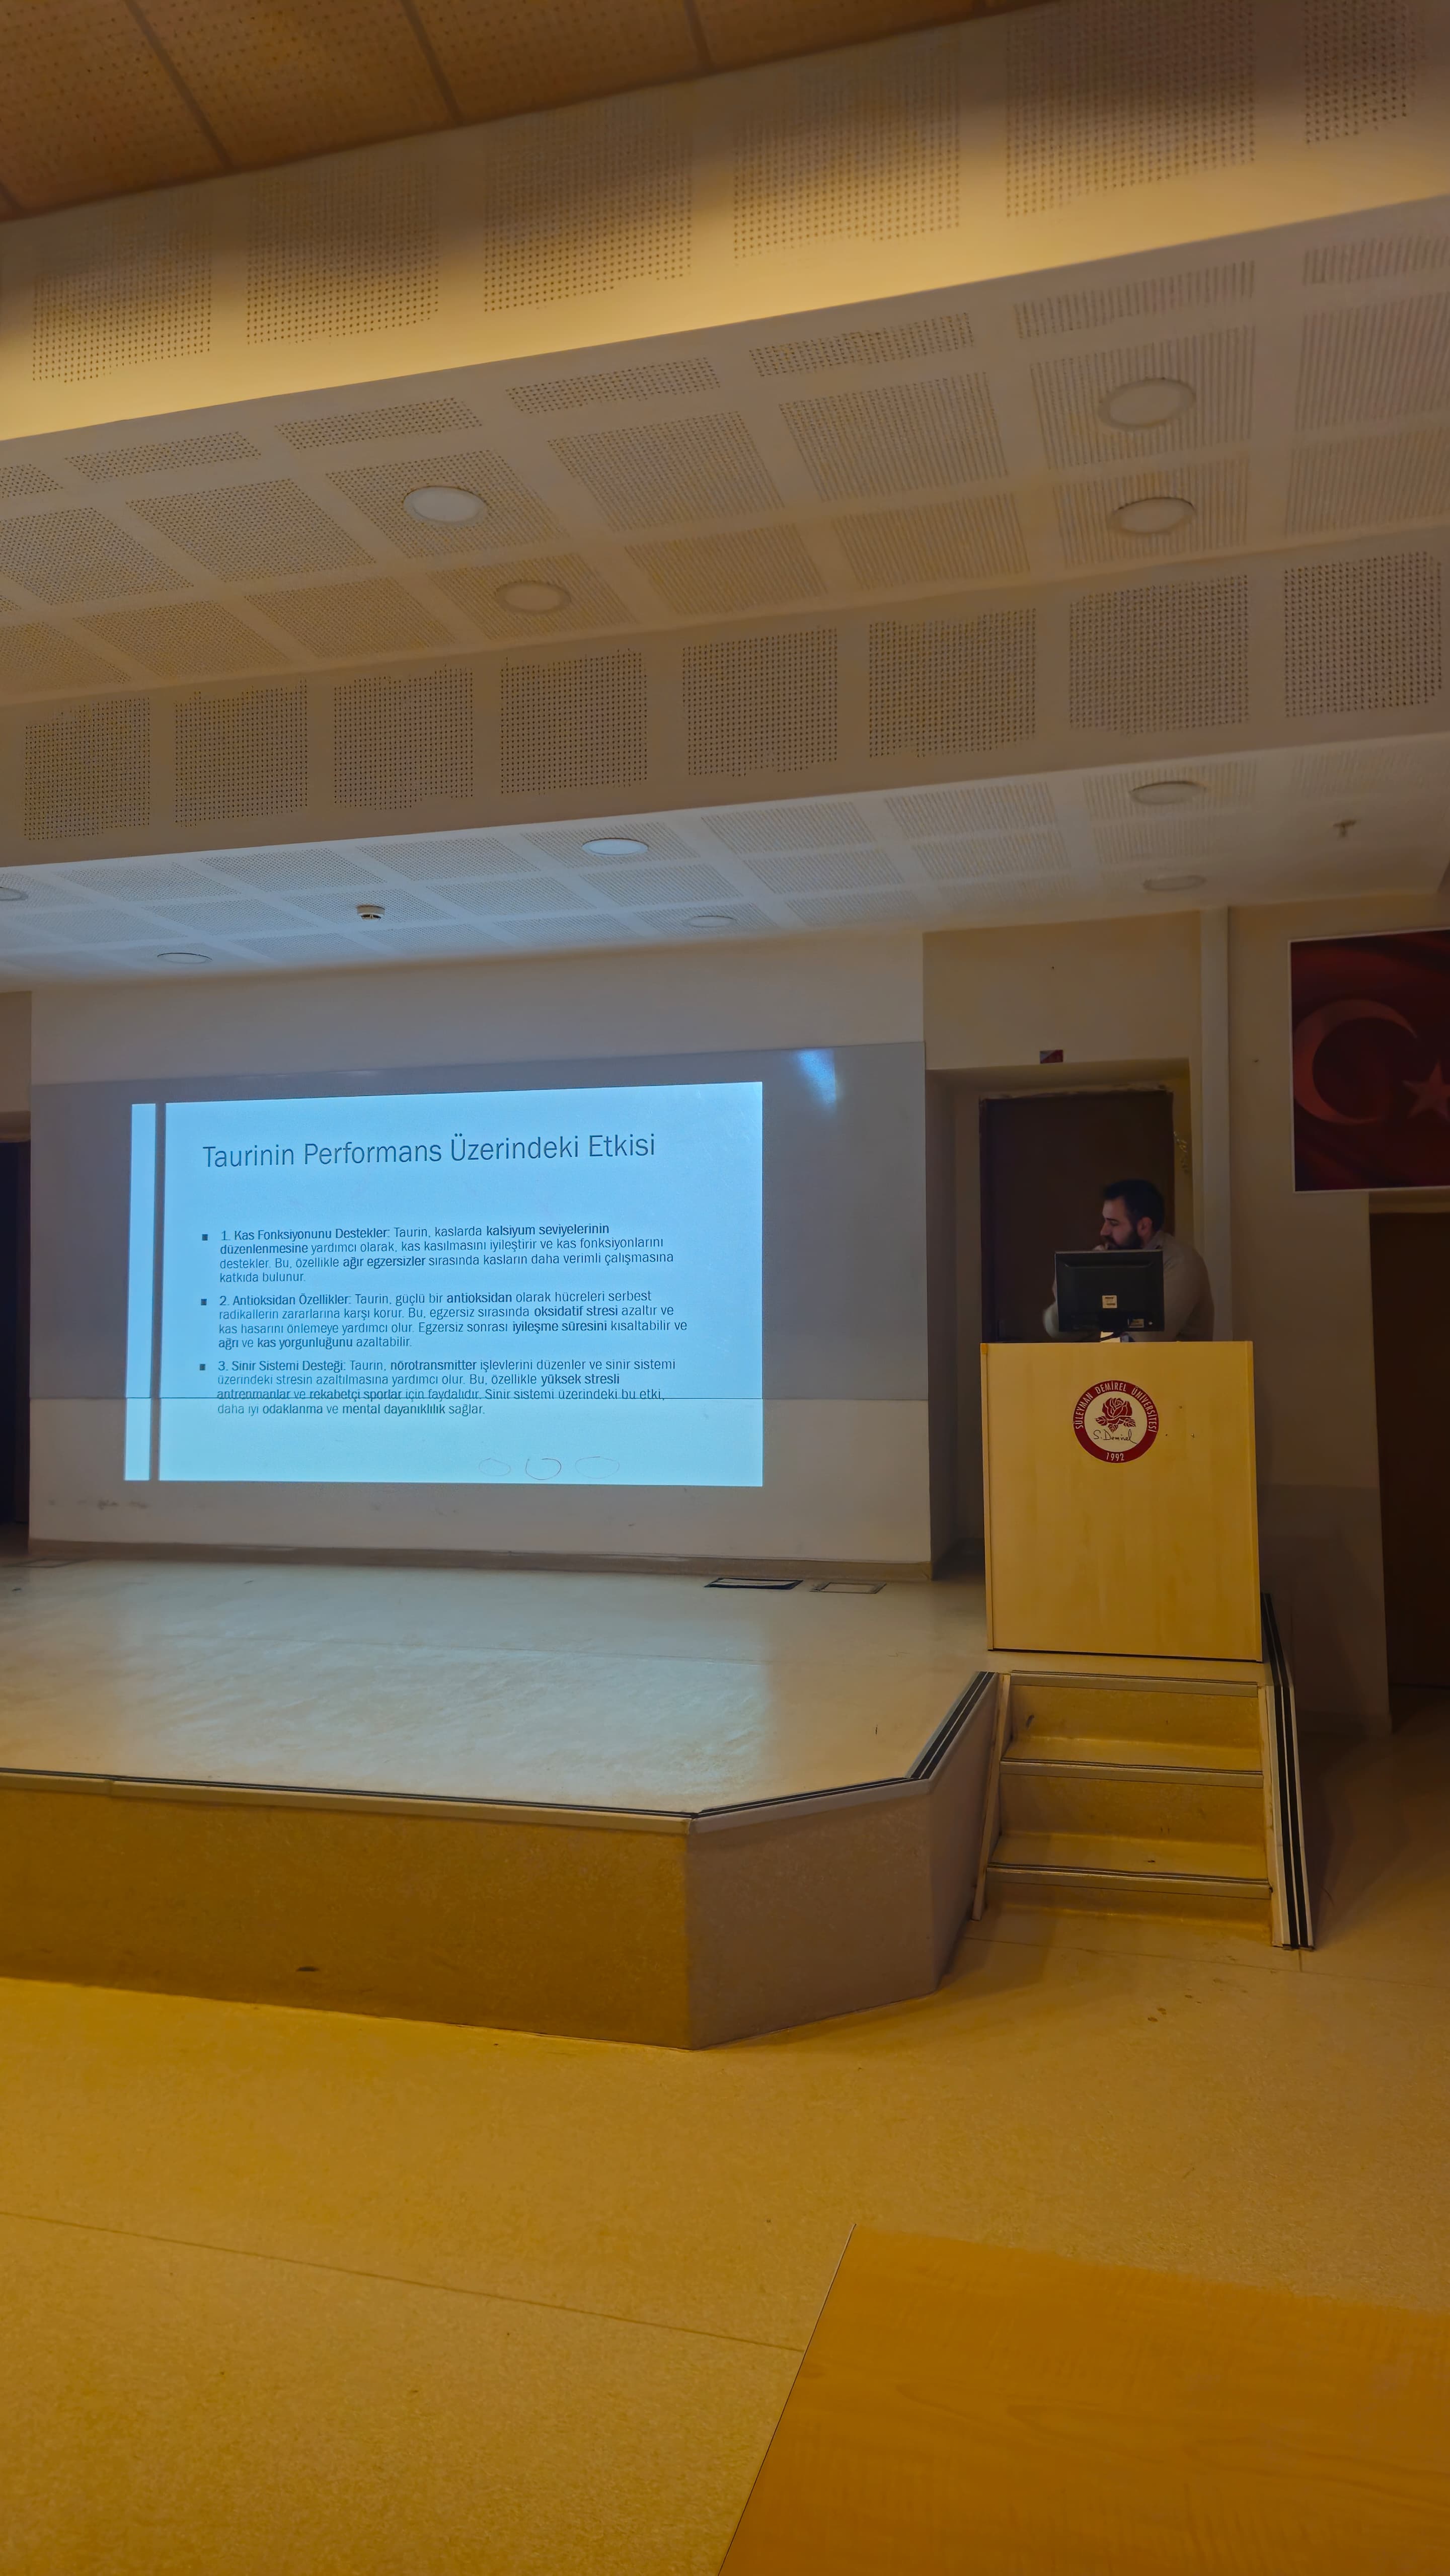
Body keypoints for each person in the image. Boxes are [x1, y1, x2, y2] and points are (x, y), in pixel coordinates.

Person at [1043, 1176, 1214, 1341]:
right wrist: (1074, 1289)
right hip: (1111, 1361)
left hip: (1172, 1362)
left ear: (1144, 1226)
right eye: (1105, 1221)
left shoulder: (1181, 1262)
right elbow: (1056, 1328)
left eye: (1114, 1223)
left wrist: (1105, 1284)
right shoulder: (1111, 1255)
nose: (1104, 1231)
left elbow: (1151, 1337)